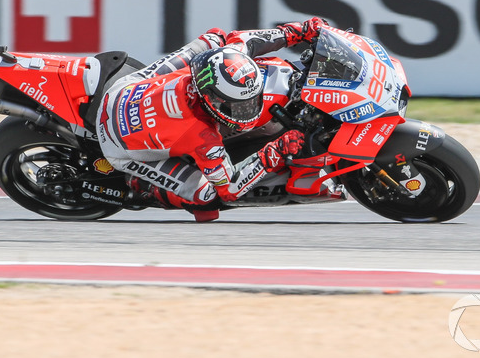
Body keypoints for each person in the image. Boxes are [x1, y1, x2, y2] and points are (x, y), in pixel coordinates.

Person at [96, 17, 327, 222]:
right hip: (119, 148)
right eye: (240, 106)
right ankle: (143, 187)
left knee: (214, 40)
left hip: (122, 91)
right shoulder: (201, 135)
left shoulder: (211, 69)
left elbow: (242, 40)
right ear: (212, 101)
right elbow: (230, 189)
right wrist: (274, 151)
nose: (248, 109)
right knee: (206, 197)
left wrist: (298, 31)